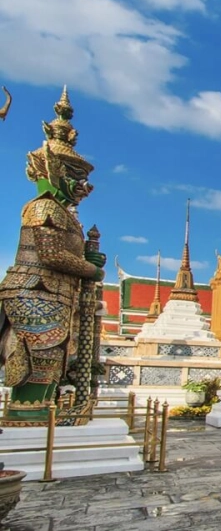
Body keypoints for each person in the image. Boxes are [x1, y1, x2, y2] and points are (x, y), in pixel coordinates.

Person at [0, 89, 105, 424]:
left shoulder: (64, 214)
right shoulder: (44, 207)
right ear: (53, 170)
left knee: (52, 360)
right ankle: (26, 418)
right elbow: (49, 255)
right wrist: (90, 269)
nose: (84, 186)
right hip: (36, 290)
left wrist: (88, 268)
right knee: (37, 358)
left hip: (53, 294)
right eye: (75, 176)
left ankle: (43, 415)